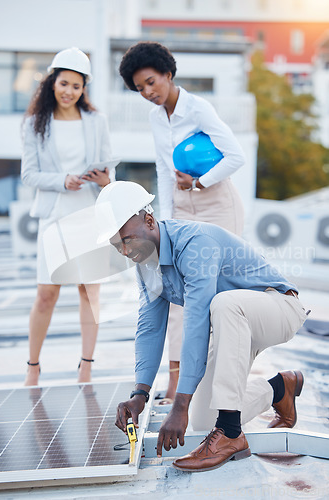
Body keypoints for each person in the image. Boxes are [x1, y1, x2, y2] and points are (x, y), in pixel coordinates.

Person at [94, 181, 307, 472]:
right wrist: (139, 394)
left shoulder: (195, 242)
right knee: (205, 420)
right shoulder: (147, 265)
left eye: (127, 240)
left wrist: (179, 404)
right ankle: (280, 388)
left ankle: (231, 435)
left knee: (223, 303)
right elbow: (150, 328)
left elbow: (195, 320)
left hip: (278, 308)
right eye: (117, 245)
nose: (124, 250)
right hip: (233, 327)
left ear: (149, 220)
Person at [119, 41, 246, 403]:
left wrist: (200, 182)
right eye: (139, 88)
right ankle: (177, 382)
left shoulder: (199, 108)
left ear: (168, 74)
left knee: (218, 296)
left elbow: (235, 156)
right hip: (181, 208)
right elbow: (162, 168)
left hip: (218, 203)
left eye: (150, 82)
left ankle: (222, 379)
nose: (147, 92)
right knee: (173, 292)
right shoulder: (155, 117)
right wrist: (166, 219)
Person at [21, 47, 113, 386]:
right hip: (54, 217)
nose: (68, 91)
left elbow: (107, 170)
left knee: (89, 293)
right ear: (52, 82)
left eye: (76, 86)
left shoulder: (97, 121)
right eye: (63, 83)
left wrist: (104, 180)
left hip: (89, 215)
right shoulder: (35, 124)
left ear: (83, 88)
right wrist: (62, 180)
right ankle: (33, 368)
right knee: (47, 293)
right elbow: (29, 175)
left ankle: (86, 367)